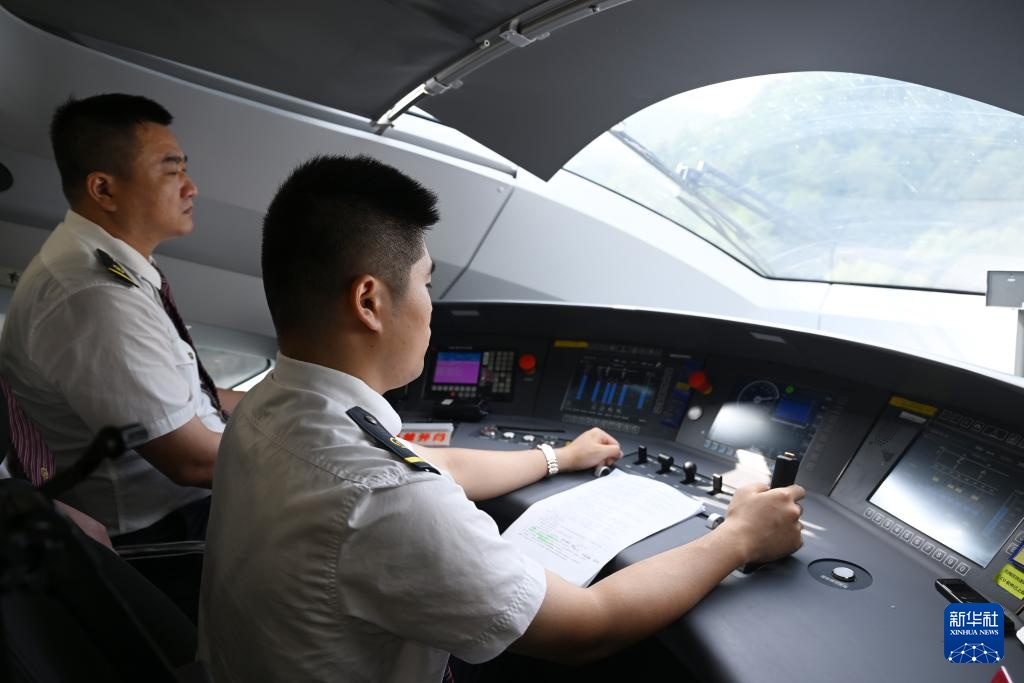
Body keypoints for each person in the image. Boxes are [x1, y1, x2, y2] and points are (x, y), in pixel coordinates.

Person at [198, 155, 804, 682]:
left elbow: (434, 464)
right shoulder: (384, 494)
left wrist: (557, 457)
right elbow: (587, 629)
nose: (431, 308)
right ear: (369, 301)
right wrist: (739, 537)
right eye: (426, 283)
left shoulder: (267, 405)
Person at [0, 93, 243, 543]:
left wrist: (281, 404)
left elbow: (185, 392)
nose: (191, 188)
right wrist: (308, 452)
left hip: (190, 498)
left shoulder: (112, 263)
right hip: (167, 530)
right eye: (172, 171)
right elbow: (192, 462)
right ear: (104, 190)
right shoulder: (93, 295)